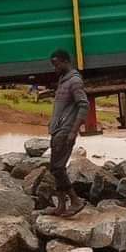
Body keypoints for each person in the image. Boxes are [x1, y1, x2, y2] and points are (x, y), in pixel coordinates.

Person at [45, 49, 89, 217]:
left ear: (65, 62)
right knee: (55, 168)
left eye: (56, 64)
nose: (54, 68)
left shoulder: (75, 81)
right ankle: (61, 206)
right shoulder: (63, 80)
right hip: (57, 130)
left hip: (66, 131)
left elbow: (84, 106)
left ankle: (75, 201)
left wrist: (73, 131)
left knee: (57, 168)